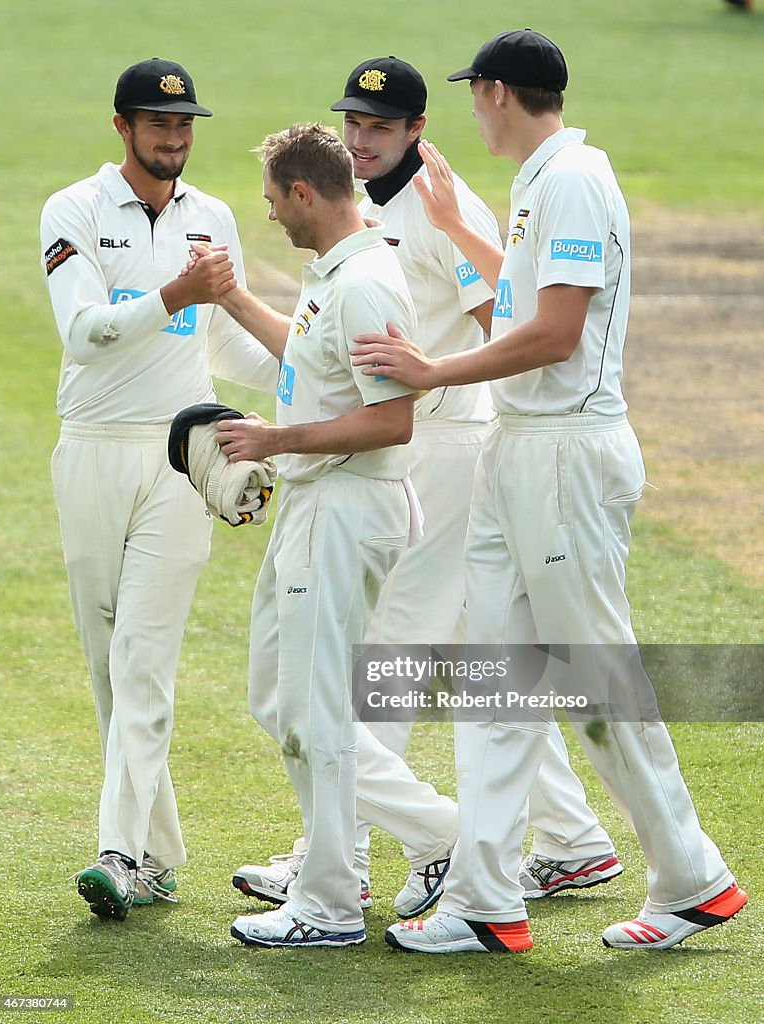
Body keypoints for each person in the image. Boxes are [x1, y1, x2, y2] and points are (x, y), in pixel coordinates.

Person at [351, 29, 748, 952]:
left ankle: (692, 876)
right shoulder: (538, 179)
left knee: (594, 677)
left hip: (566, 454)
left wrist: (431, 368)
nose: (472, 111)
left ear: (495, 92)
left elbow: (555, 334)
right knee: (496, 681)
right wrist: (456, 228)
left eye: (474, 94)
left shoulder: (571, 178)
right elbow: (529, 301)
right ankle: (485, 901)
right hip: (519, 454)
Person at [233, 56, 624, 920]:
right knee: (463, 651)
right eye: (353, 125)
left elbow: (509, 329)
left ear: (417, 131)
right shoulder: (350, 210)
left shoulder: (449, 211)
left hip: (444, 443)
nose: (361, 141)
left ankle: (346, 857)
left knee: (388, 652)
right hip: (408, 445)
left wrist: (441, 386)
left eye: (379, 127)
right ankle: (570, 840)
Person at [40, 58, 279, 921]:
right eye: (157, 124)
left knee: (143, 659)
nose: (173, 139)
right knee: (110, 667)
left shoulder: (211, 218)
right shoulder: (73, 211)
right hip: (92, 452)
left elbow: (229, 347)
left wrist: (315, 375)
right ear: (123, 127)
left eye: (183, 126)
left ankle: (117, 852)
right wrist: (171, 293)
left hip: (182, 455)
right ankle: (160, 854)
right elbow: (86, 331)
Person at [209, 122, 458, 948]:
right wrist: (237, 299)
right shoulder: (337, 273)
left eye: (275, 201)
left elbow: (391, 421)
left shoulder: (364, 284)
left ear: (305, 194)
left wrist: (275, 442)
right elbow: (308, 366)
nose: (271, 215)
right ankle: (433, 834)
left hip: (345, 507)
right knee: (279, 698)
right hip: (316, 506)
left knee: (314, 708)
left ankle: (328, 906)